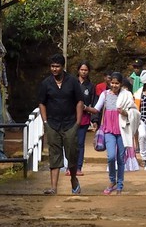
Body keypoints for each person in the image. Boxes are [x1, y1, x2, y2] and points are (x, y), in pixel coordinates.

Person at [37, 51, 85, 195]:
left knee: (71, 153)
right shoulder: (46, 83)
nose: (54, 69)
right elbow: (41, 103)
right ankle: (53, 187)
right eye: (52, 66)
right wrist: (45, 122)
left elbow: (80, 101)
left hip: (70, 124)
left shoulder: (72, 82)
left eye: (57, 66)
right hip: (52, 124)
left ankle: (73, 180)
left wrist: (77, 122)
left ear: (62, 67)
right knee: (54, 154)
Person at [95, 70, 135, 194]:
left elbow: (133, 111)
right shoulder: (105, 94)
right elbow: (97, 108)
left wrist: (124, 112)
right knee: (111, 157)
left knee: (121, 158)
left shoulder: (126, 95)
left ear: (121, 84)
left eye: (117, 83)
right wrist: (84, 107)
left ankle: (120, 184)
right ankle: (112, 181)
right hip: (108, 130)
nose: (114, 85)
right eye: (112, 83)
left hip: (123, 130)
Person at [74, 61, 94, 173]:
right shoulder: (72, 83)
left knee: (80, 143)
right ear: (78, 70)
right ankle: (70, 167)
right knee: (71, 143)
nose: (83, 72)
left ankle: (78, 167)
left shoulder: (90, 86)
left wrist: (94, 119)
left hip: (84, 118)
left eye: (86, 70)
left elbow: (94, 103)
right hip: (71, 118)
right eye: (82, 69)